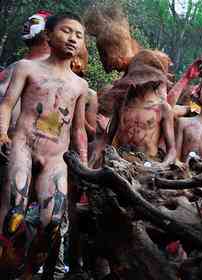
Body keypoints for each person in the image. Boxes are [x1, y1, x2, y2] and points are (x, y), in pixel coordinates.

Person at [0, 13, 89, 277]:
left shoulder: (80, 85)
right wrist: (2, 134)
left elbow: (79, 129)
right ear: (48, 36)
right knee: (14, 214)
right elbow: (6, 104)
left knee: (52, 223)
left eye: (79, 35)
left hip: (56, 157)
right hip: (24, 145)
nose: (73, 38)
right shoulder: (27, 68)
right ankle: (4, 265)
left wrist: (82, 166)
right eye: (66, 31)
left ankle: (28, 271)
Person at [106, 50, 176, 165]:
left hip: (149, 162)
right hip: (119, 161)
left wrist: (162, 166)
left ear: (155, 80)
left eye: (145, 77)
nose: (140, 82)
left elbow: (172, 149)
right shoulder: (121, 103)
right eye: (137, 76)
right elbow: (107, 139)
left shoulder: (163, 108)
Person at [0, 10, 52, 135]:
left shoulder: (51, 72)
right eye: (27, 22)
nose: (26, 25)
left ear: (48, 33)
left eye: (33, 22)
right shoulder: (17, 65)